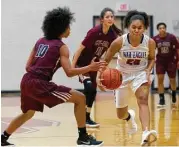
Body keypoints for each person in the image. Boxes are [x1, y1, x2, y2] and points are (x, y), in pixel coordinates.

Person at [1, 7, 106, 146]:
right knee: (80, 98)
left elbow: (27, 66)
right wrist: (90, 68)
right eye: (68, 26)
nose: (70, 29)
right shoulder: (61, 47)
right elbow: (69, 73)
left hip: (26, 80)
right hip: (40, 83)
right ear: (61, 28)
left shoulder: (40, 41)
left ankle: (3, 138)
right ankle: (83, 138)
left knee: (28, 113)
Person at [97, 10, 157, 145]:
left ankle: (146, 132)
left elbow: (152, 58)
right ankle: (129, 118)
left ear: (145, 28)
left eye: (140, 28)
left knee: (143, 99)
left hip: (140, 73)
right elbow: (105, 60)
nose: (136, 30)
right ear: (128, 27)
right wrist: (99, 76)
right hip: (121, 76)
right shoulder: (119, 42)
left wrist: (148, 70)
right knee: (120, 114)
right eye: (133, 27)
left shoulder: (150, 42)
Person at [72, 7, 122, 128]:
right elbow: (80, 48)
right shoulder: (94, 32)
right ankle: (82, 116)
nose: (110, 18)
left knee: (93, 91)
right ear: (102, 20)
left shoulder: (112, 35)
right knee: (89, 86)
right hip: (82, 63)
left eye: (112, 16)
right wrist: (72, 67)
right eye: (107, 17)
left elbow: (111, 53)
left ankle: (87, 118)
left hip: (95, 64)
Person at [152, 22, 179, 106]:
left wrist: (178, 60)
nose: (162, 29)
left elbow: (177, 49)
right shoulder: (155, 39)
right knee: (160, 79)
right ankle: (161, 99)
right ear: (158, 30)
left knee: (172, 80)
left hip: (171, 61)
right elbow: (152, 50)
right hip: (160, 61)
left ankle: (174, 93)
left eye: (163, 28)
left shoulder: (171, 37)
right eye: (160, 28)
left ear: (165, 29)